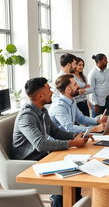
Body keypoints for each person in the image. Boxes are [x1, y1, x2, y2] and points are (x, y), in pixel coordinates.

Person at [11, 77, 90, 207]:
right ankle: (60, 201)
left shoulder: (43, 110)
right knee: (69, 177)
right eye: (49, 89)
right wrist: (73, 143)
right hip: (28, 163)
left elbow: (56, 132)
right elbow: (41, 144)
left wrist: (76, 135)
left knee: (77, 171)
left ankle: (72, 201)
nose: (52, 91)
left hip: (42, 157)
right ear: (40, 95)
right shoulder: (26, 116)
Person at [88, 53, 109, 117]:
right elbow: (91, 90)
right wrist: (95, 104)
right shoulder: (92, 73)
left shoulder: (108, 71)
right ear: (99, 62)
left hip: (107, 100)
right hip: (97, 103)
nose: (107, 61)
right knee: (96, 123)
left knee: (106, 121)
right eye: (105, 60)